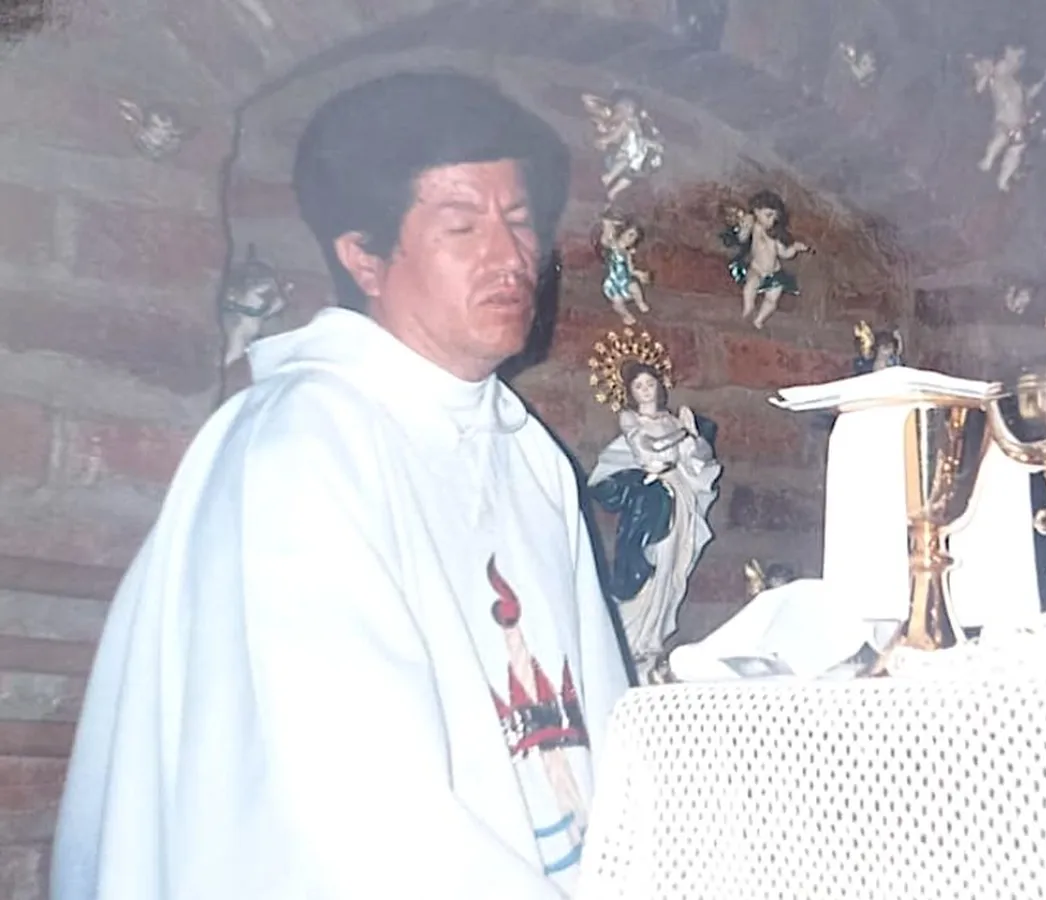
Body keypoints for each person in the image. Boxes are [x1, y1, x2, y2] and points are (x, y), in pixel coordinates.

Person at [50, 71, 630, 900]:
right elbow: (352, 816)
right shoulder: (299, 445)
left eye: (519, 221)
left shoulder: (528, 450)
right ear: (364, 257)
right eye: (463, 226)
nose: (511, 258)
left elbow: (598, 732)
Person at [588, 361, 721, 678]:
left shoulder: (673, 419)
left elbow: (699, 458)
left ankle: (652, 640)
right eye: (639, 386)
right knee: (648, 558)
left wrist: (697, 439)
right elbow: (649, 447)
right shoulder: (631, 419)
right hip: (649, 499)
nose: (646, 390)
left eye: (650, 384)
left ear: (660, 386)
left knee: (672, 565)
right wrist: (682, 434)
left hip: (679, 496)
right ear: (630, 392)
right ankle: (632, 636)